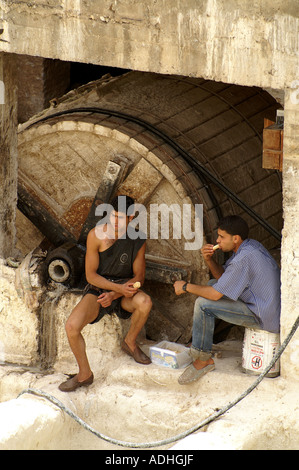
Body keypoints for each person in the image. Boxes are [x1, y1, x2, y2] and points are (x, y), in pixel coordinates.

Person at [59, 195, 152, 392]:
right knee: (72, 327)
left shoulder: (138, 238)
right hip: (98, 290)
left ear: (131, 217)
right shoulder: (96, 235)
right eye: (113, 217)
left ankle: (130, 342)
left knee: (145, 302)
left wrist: (117, 294)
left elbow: (139, 278)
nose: (115, 223)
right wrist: (112, 290)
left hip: (124, 291)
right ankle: (84, 374)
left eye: (121, 218)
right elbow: (91, 276)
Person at [173, 215, 281, 385]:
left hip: (262, 316)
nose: (217, 240)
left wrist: (186, 286)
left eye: (222, 237)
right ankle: (202, 344)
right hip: (264, 305)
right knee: (211, 284)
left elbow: (215, 295)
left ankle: (202, 360)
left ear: (236, 239)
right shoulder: (250, 247)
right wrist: (209, 260)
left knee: (203, 304)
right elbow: (223, 279)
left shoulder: (242, 259)